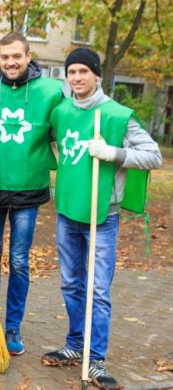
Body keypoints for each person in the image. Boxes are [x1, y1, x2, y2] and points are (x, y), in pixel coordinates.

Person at [42, 48, 162, 390]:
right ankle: (75, 344)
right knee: (70, 284)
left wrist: (113, 153)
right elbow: (52, 141)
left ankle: (95, 359)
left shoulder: (117, 115)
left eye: (83, 71)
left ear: (96, 75)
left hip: (103, 216)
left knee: (97, 290)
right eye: (72, 72)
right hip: (68, 212)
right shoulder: (61, 112)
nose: (77, 77)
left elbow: (154, 155)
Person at [0, 32, 64, 354]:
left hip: (28, 193)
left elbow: (67, 133)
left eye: (17, 56)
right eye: (5, 57)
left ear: (29, 56)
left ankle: (13, 326)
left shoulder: (51, 92)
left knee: (18, 261)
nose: (11, 62)